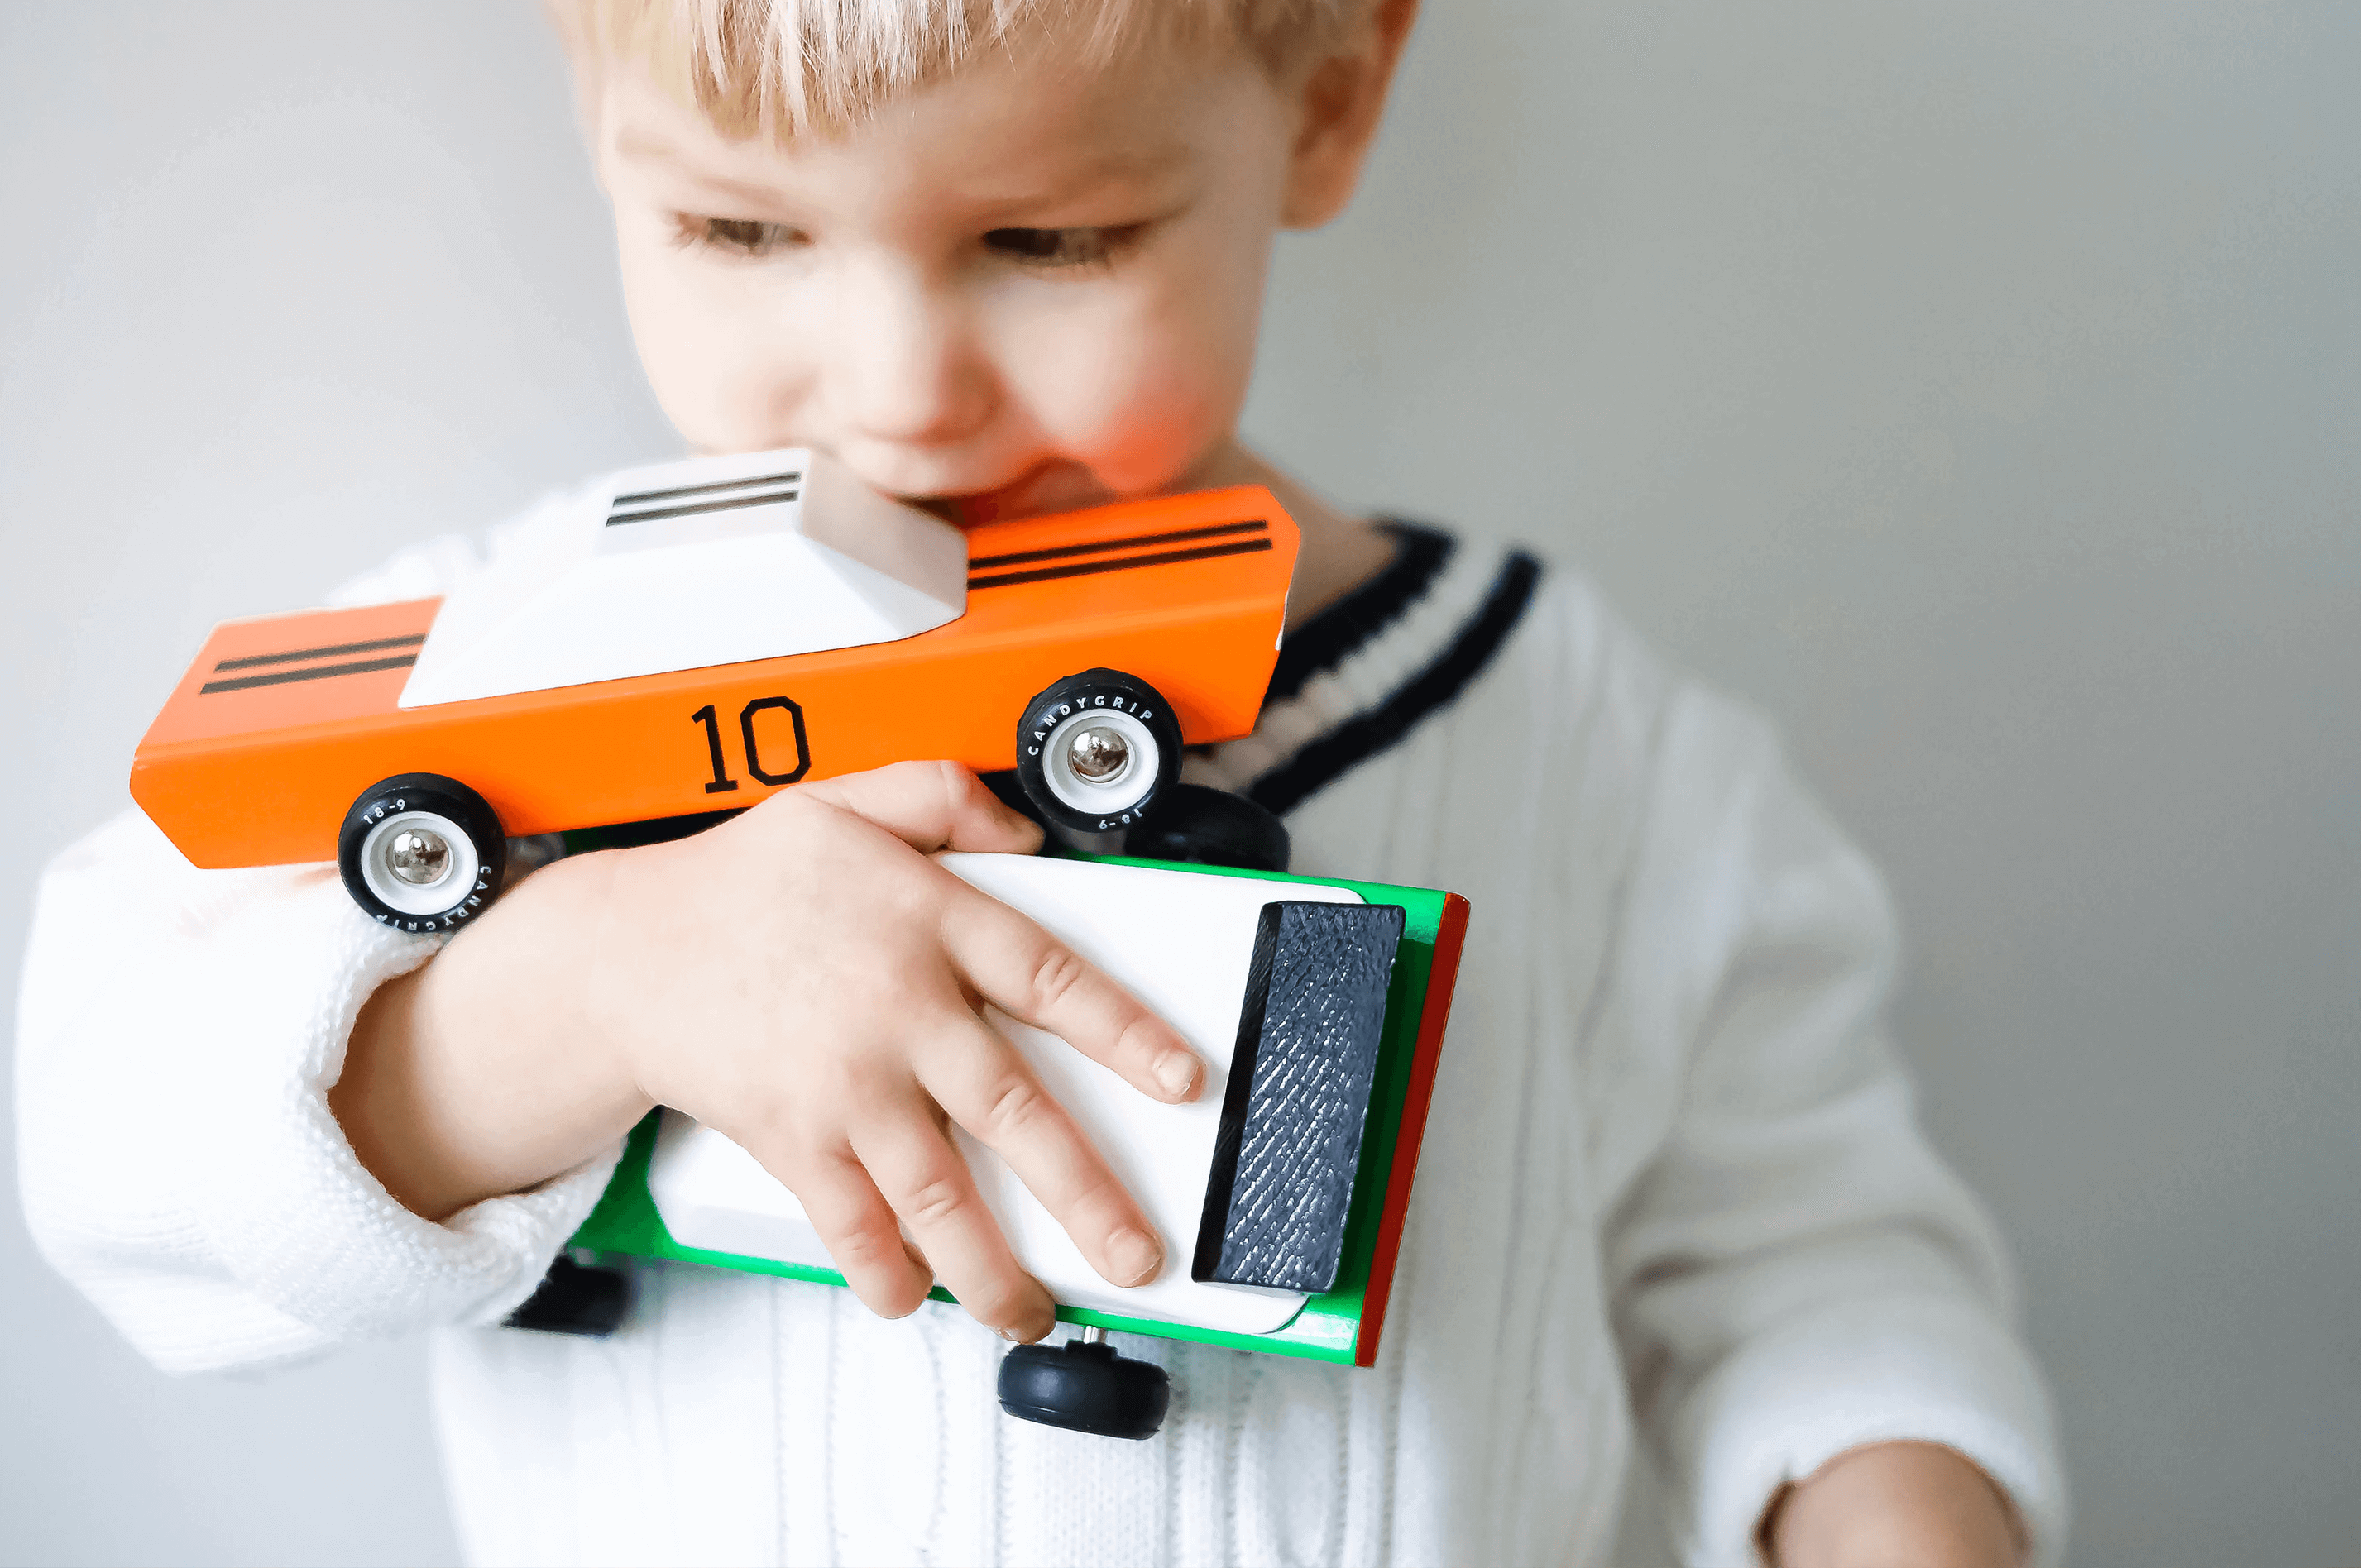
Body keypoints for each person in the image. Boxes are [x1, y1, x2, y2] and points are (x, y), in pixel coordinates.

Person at [16, 1, 2065, 1563]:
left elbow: (1804, 1261)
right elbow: (108, 1152)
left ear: (1331, 95)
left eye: (1046, 236)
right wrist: (588, 978)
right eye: (739, 225)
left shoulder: (1567, 729)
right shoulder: (488, 659)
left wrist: (1900, 1495)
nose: (900, 383)